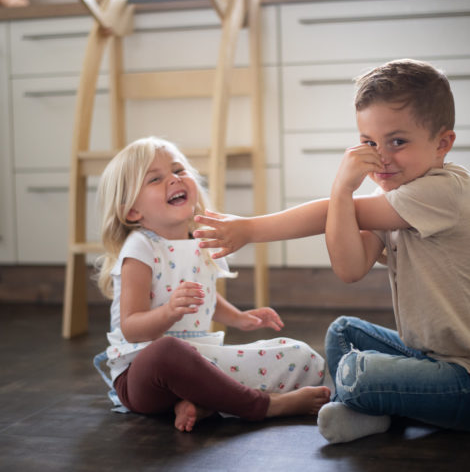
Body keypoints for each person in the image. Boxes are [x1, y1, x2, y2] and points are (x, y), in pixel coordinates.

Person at [193, 59, 470, 442]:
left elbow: (333, 212)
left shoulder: (443, 191)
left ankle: (363, 399)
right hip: (429, 357)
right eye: (370, 143)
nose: (382, 157)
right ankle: (366, 408)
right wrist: (344, 194)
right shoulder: (391, 196)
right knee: (343, 332)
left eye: (398, 141)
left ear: (442, 143)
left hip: (463, 376)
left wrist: (254, 227)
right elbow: (350, 267)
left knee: (361, 373)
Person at [95, 136, 330, 433]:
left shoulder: (197, 241)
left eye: (179, 171)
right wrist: (169, 312)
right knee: (168, 351)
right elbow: (130, 326)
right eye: (155, 178)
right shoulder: (140, 248)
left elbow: (205, 297)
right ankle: (266, 405)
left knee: (303, 357)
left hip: (194, 362)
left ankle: (203, 402)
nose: (173, 179)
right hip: (142, 374)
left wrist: (239, 318)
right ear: (132, 212)